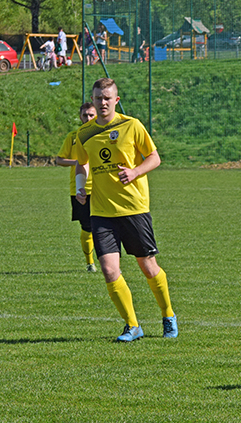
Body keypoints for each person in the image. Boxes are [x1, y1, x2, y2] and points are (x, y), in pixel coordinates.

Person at [74, 78, 178, 342]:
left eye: (107, 98)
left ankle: (168, 315)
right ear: (93, 100)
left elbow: (154, 157)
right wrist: (79, 187)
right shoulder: (84, 133)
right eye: (98, 98)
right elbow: (81, 163)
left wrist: (134, 172)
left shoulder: (131, 125)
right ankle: (132, 325)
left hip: (134, 208)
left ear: (116, 100)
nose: (102, 102)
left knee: (148, 266)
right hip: (101, 211)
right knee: (109, 270)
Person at [56, 102, 98, 272]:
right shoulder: (73, 137)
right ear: (80, 117)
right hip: (80, 189)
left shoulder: (103, 136)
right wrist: (77, 162)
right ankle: (90, 263)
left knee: (108, 227)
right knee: (87, 227)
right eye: (85, 115)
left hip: (101, 187)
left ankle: (112, 263)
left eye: (91, 115)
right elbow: (59, 159)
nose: (88, 118)